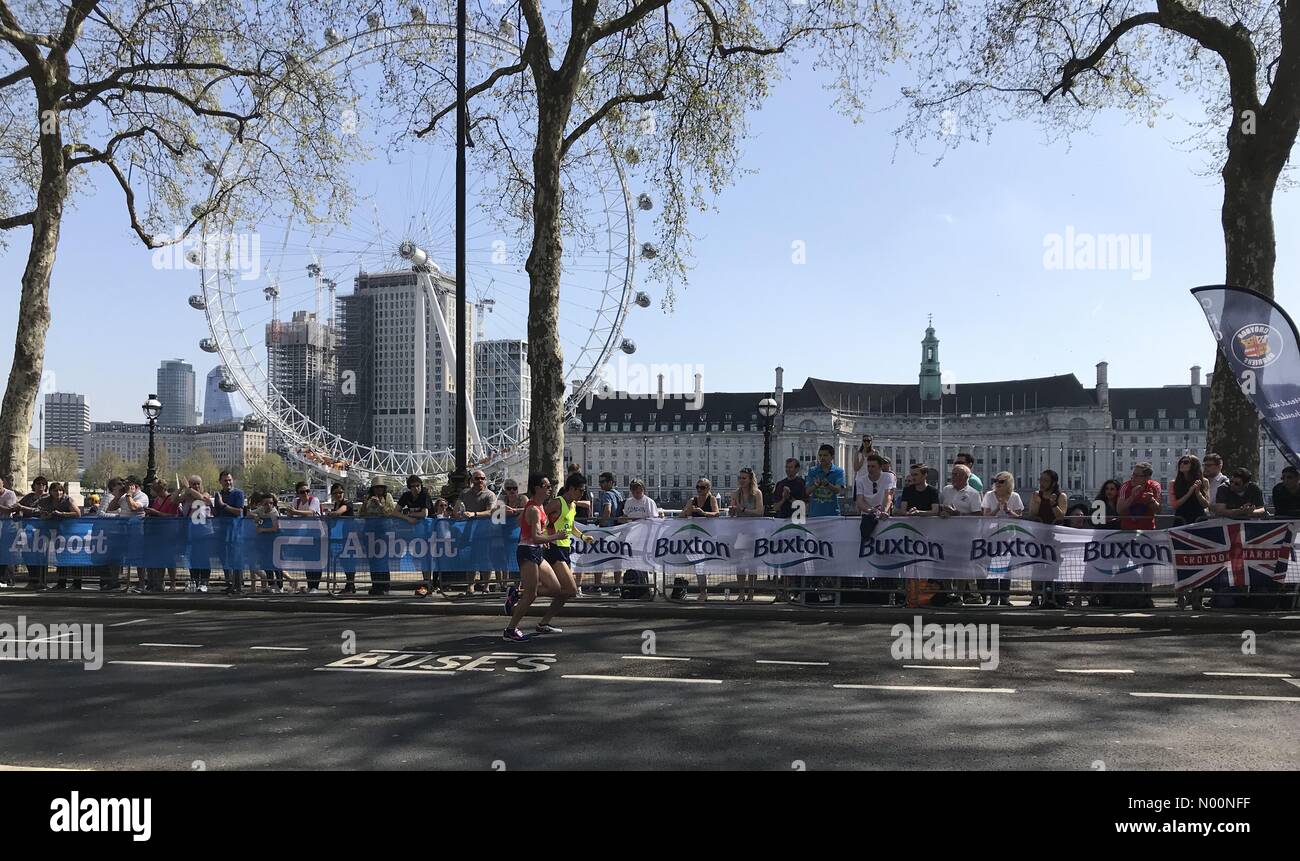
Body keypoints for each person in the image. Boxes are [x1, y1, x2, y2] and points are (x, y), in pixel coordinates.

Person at [504, 474, 575, 642]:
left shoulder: (540, 506)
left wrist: (543, 539)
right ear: (537, 488)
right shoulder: (535, 509)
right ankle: (510, 629)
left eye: (550, 485)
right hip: (527, 551)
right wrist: (554, 536)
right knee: (531, 594)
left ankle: (516, 594)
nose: (549, 488)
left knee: (556, 588)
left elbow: (522, 522)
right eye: (546, 485)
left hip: (535, 550)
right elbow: (535, 536)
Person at [545, 473, 596, 605]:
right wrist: (545, 537)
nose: (582, 494)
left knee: (565, 591)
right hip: (554, 548)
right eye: (580, 491)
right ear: (571, 488)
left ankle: (544, 622)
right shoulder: (557, 503)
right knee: (570, 590)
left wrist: (583, 537)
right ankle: (522, 593)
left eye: (584, 491)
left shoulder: (573, 505)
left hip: (565, 548)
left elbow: (571, 527)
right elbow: (539, 517)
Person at [940, 463, 985, 604]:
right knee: (945, 566)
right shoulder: (946, 490)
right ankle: (948, 593)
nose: (952, 477)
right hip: (946, 534)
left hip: (965, 535)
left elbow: (978, 514)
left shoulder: (973, 493)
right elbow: (939, 506)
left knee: (962, 567)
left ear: (966, 477)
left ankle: (959, 595)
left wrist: (957, 514)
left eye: (956, 474)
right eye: (952, 474)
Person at [1026, 469, 1068, 608]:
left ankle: (1052, 595)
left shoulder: (1061, 496)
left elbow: (1061, 516)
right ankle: (1035, 597)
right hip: (1038, 535)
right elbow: (1032, 514)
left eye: (1046, 480)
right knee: (1036, 566)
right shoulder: (1036, 495)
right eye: (1041, 480)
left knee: (1053, 566)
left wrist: (1053, 504)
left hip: (1054, 536)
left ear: (1053, 482)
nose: (1042, 483)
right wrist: (1037, 502)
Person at [981, 472, 1023, 606]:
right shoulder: (989, 495)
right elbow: (985, 515)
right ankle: (993, 597)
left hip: (1009, 536)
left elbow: (1020, 517)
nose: (997, 484)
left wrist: (1008, 511)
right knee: (992, 567)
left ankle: (1005, 597)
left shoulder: (1015, 496)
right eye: (996, 481)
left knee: (1007, 568)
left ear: (1008, 483)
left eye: (1001, 481)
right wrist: (996, 510)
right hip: (992, 535)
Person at [459, 470, 498, 593]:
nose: (480, 481)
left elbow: (491, 512)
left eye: (482, 478)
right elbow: (457, 508)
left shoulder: (490, 494)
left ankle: (486, 587)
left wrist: (474, 514)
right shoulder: (464, 493)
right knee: (470, 559)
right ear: (472, 480)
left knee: (485, 559)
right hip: (468, 531)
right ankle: (470, 586)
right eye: (477, 478)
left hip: (485, 532)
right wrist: (459, 513)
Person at [729, 468, 764, 601]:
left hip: (754, 531)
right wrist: (732, 510)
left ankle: (751, 592)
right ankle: (741, 592)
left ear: (750, 479)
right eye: (740, 478)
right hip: (740, 532)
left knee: (752, 564)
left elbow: (760, 511)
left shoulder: (757, 493)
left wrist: (743, 509)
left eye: (744, 478)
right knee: (740, 563)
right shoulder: (735, 494)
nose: (741, 481)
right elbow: (732, 513)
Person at [682, 477, 720, 600]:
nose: (699, 490)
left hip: (709, 536)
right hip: (695, 536)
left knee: (706, 564)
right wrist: (688, 510)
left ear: (708, 488)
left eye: (702, 487)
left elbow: (716, 513)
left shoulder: (712, 499)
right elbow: (682, 515)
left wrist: (702, 512)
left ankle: (704, 589)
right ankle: (703, 592)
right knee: (699, 565)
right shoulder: (693, 500)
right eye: (698, 487)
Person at [40, 482, 82, 590]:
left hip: (71, 532)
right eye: (55, 490)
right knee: (61, 557)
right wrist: (47, 516)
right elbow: (41, 513)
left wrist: (62, 514)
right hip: (57, 533)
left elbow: (77, 513)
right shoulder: (46, 501)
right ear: (50, 492)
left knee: (73, 558)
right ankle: (61, 583)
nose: (58, 492)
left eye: (60, 490)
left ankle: (77, 584)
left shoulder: (68, 500)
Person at [398, 475, 435, 596]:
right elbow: (394, 511)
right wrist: (407, 518)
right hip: (417, 532)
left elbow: (425, 513)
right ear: (409, 487)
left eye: (417, 486)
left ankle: (429, 584)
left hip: (430, 532)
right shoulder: (406, 496)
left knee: (428, 558)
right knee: (421, 558)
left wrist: (410, 515)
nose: (415, 488)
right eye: (412, 486)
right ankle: (427, 584)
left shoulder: (425, 495)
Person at [178, 475, 215, 593]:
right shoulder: (187, 497)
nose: (196, 486)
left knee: (204, 557)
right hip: (190, 532)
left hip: (205, 532)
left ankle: (204, 582)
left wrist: (188, 488)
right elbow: (173, 500)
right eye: (193, 484)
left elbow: (200, 498)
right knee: (192, 557)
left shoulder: (205, 494)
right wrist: (181, 489)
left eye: (198, 484)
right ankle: (194, 580)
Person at [212, 470, 246, 595]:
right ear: (220, 482)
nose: (228, 482)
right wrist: (210, 505)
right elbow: (216, 513)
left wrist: (223, 504)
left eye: (230, 480)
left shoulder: (238, 493)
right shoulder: (218, 494)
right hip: (222, 532)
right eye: (225, 480)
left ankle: (238, 585)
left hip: (235, 532)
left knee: (236, 558)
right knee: (225, 559)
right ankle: (229, 583)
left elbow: (239, 511)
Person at [286, 481, 324, 592]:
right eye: (302, 492)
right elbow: (291, 513)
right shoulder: (296, 501)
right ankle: (310, 585)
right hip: (303, 535)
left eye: (307, 491)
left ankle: (315, 586)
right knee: (306, 560)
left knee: (316, 560)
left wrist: (295, 512)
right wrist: (290, 513)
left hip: (316, 534)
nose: (305, 494)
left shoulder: (314, 500)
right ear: (297, 493)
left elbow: (311, 512)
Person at [359, 482, 397, 594]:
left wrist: (380, 504)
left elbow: (390, 512)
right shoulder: (368, 498)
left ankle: (385, 586)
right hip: (370, 532)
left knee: (382, 559)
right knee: (373, 560)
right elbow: (361, 514)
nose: (379, 489)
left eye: (381, 487)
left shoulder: (387, 497)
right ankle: (376, 585)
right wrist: (365, 504)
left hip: (383, 532)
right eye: (376, 487)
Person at [589, 472, 623, 595]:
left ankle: (597, 586)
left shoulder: (607, 495)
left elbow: (607, 510)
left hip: (607, 531)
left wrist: (602, 524)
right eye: (600, 482)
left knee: (598, 557)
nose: (600, 485)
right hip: (618, 531)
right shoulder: (618, 494)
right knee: (616, 560)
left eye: (603, 482)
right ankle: (617, 586)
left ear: (610, 482)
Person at [16, 476, 48, 588]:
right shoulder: (29, 497)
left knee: (41, 555)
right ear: (34, 485)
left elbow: (42, 511)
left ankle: (41, 581)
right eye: (38, 484)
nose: (40, 486)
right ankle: (32, 579)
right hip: (27, 531)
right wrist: (17, 512)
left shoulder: (47, 498)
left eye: (43, 484)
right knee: (27, 554)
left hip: (42, 531)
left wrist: (24, 508)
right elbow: (17, 507)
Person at [250, 492, 284, 593]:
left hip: (274, 541)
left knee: (276, 564)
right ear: (261, 504)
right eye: (266, 503)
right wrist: (255, 515)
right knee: (265, 563)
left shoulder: (274, 513)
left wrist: (262, 530)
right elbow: (249, 513)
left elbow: (275, 528)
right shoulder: (260, 510)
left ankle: (280, 586)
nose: (268, 505)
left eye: (271, 503)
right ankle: (271, 584)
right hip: (263, 543)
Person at [323, 483, 355, 593]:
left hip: (351, 536)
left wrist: (330, 514)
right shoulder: (336, 504)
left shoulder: (347, 503)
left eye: (340, 492)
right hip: (342, 536)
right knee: (344, 560)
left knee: (349, 560)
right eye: (336, 493)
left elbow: (339, 512)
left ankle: (351, 585)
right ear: (332, 494)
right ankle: (350, 585)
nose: (338, 494)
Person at [806, 444, 846, 518]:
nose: (822, 458)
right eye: (820, 455)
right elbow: (807, 492)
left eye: (825, 455)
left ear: (832, 457)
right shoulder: (812, 471)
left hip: (833, 514)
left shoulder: (839, 471)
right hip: (815, 514)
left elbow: (838, 490)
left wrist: (827, 484)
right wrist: (815, 486)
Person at [1118, 462, 1162, 530]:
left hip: (1148, 530)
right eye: (1133, 474)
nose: (1133, 477)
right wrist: (1132, 497)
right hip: (1128, 529)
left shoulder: (1155, 487)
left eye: (1137, 475)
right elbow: (1119, 510)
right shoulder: (1125, 487)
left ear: (1147, 478)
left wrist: (1151, 501)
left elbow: (1158, 511)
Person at [1170, 455, 1210, 525]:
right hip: (1181, 519)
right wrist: (1189, 493)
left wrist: (1198, 493)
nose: (1182, 464)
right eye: (1180, 462)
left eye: (1186, 462)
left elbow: (1206, 504)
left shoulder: (1204, 481)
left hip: (1199, 519)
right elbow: (1174, 505)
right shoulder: (1173, 483)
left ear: (1194, 465)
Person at [0, 476, 18, 588]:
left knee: (7, 554)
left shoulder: (10, 494)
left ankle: (9, 579)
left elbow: (10, 509)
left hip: (7, 528)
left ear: (2, 484)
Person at [851, 435, 875, 504]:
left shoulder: (875, 453)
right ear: (862, 442)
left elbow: (877, 467)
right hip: (860, 480)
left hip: (871, 480)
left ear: (871, 442)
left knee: (870, 501)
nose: (866, 442)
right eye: (864, 440)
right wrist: (862, 460)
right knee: (859, 502)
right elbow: (855, 469)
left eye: (868, 441)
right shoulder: (858, 453)